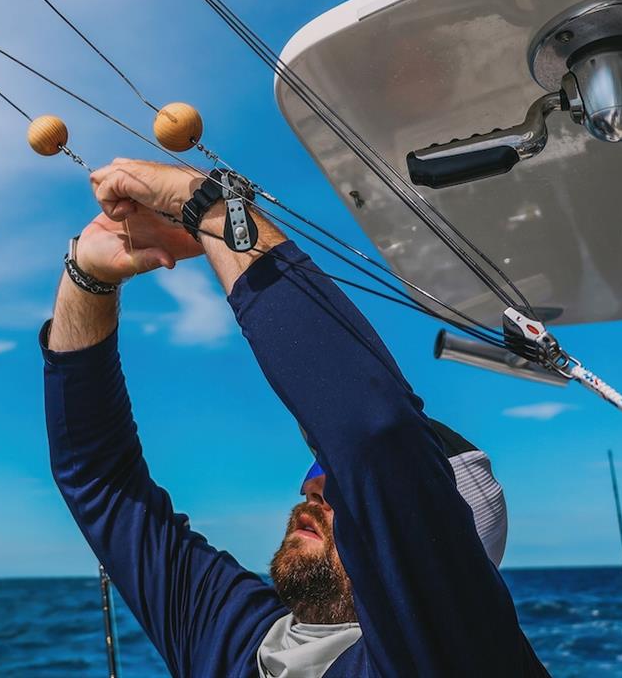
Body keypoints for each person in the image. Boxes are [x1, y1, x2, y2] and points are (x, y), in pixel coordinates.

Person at [42, 158, 549, 677]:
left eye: (353, 485)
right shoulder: (231, 634)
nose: (315, 488)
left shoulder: (463, 653)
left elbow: (373, 432)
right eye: (319, 468)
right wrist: (89, 277)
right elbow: (98, 479)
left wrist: (209, 206)